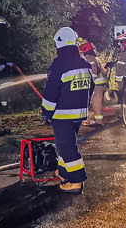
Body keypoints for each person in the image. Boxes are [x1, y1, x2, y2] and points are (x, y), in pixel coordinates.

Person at [40, 27, 94, 193]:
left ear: (59, 43)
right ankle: (63, 173)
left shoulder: (59, 64)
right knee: (64, 145)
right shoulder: (85, 63)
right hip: (78, 113)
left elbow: (51, 91)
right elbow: (91, 86)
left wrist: (46, 112)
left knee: (67, 148)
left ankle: (76, 181)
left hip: (62, 114)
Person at [79, 39, 108, 124]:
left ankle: (99, 123)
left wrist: (90, 80)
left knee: (96, 106)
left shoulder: (89, 58)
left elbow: (93, 71)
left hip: (98, 87)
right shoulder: (95, 58)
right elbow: (103, 72)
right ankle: (98, 122)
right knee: (97, 106)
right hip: (102, 85)